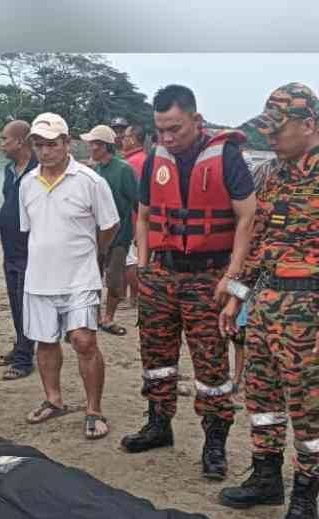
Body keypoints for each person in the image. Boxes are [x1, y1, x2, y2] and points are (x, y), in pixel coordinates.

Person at [217, 83, 319, 519]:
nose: (271, 138)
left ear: (309, 125)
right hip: (265, 303)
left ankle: (305, 499)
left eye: (278, 130)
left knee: (307, 407)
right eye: (267, 130)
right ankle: (266, 478)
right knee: (261, 398)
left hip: (308, 309)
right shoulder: (269, 174)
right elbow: (258, 244)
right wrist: (237, 297)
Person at [121, 84, 257, 481]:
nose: (166, 138)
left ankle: (214, 444)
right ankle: (158, 424)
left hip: (208, 275)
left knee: (211, 365)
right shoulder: (155, 160)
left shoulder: (227, 157)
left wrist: (232, 279)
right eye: (160, 130)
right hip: (161, 273)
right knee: (156, 357)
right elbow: (144, 217)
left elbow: (247, 217)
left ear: (196, 121)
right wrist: (144, 266)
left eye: (175, 129)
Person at [18, 112, 119, 440]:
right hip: (39, 279)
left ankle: (94, 409)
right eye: (39, 145)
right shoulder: (27, 183)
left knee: (83, 340)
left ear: (66, 143)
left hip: (80, 277)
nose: (45, 151)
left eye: (52, 144)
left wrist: (93, 253)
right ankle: (54, 400)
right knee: (45, 342)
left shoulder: (91, 181)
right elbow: (30, 229)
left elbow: (110, 226)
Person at [81, 124, 139, 336]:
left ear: (105, 146)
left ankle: (108, 318)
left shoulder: (123, 170)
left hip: (119, 236)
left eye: (94, 144)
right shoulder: (94, 170)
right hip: (94, 235)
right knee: (92, 279)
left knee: (114, 281)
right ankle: (94, 317)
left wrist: (138, 235)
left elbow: (138, 204)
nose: (90, 148)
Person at [0, 119, 38, 380]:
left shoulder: (38, 170)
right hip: (10, 248)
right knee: (14, 301)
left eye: (5, 139)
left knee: (26, 304)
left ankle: (24, 359)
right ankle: (20, 345)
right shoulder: (9, 170)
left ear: (20, 141)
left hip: (30, 250)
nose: (2, 144)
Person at [121, 124, 149, 309]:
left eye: (125, 136)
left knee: (129, 259)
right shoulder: (145, 159)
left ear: (132, 139)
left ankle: (135, 297)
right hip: (140, 218)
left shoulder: (131, 163)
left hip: (131, 218)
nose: (122, 140)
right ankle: (130, 295)